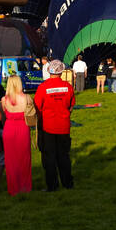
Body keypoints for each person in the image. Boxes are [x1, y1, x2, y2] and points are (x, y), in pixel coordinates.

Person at [33, 59, 75, 191]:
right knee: (64, 155)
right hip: (63, 126)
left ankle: (52, 186)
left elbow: (37, 107)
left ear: (48, 70)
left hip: (47, 127)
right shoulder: (68, 87)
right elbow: (71, 106)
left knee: (49, 157)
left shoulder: (43, 87)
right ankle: (67, 183)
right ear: (62, 72)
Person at [1, 74, 34, 196]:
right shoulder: (27, 98)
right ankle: (25, 187)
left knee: (10, 161)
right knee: (24, 159)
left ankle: (13, 188)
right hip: (23, 128)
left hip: (9, 129)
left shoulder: (4, 100)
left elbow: (3, 115)